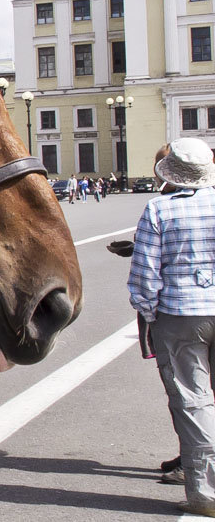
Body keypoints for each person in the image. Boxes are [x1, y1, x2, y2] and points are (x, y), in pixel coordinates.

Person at [129, 138, 215, 516]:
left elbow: (144, 278)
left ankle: (206, 493)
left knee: (192, 400)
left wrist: (150, 314)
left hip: (180, 315)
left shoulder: (159, 209)